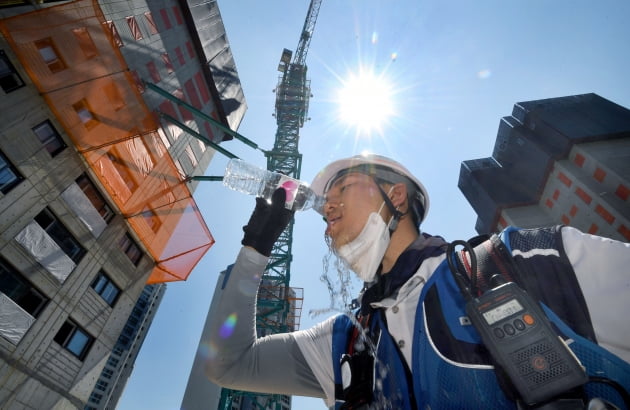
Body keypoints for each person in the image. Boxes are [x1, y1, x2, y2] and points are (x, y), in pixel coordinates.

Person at [206, 153, 630, 409]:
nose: (327, 210)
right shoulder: (348, 341)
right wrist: (255, 248)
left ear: (397, 197)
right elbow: (228, 363)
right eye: (322, 209)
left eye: (343, 189)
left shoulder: (522, 261)